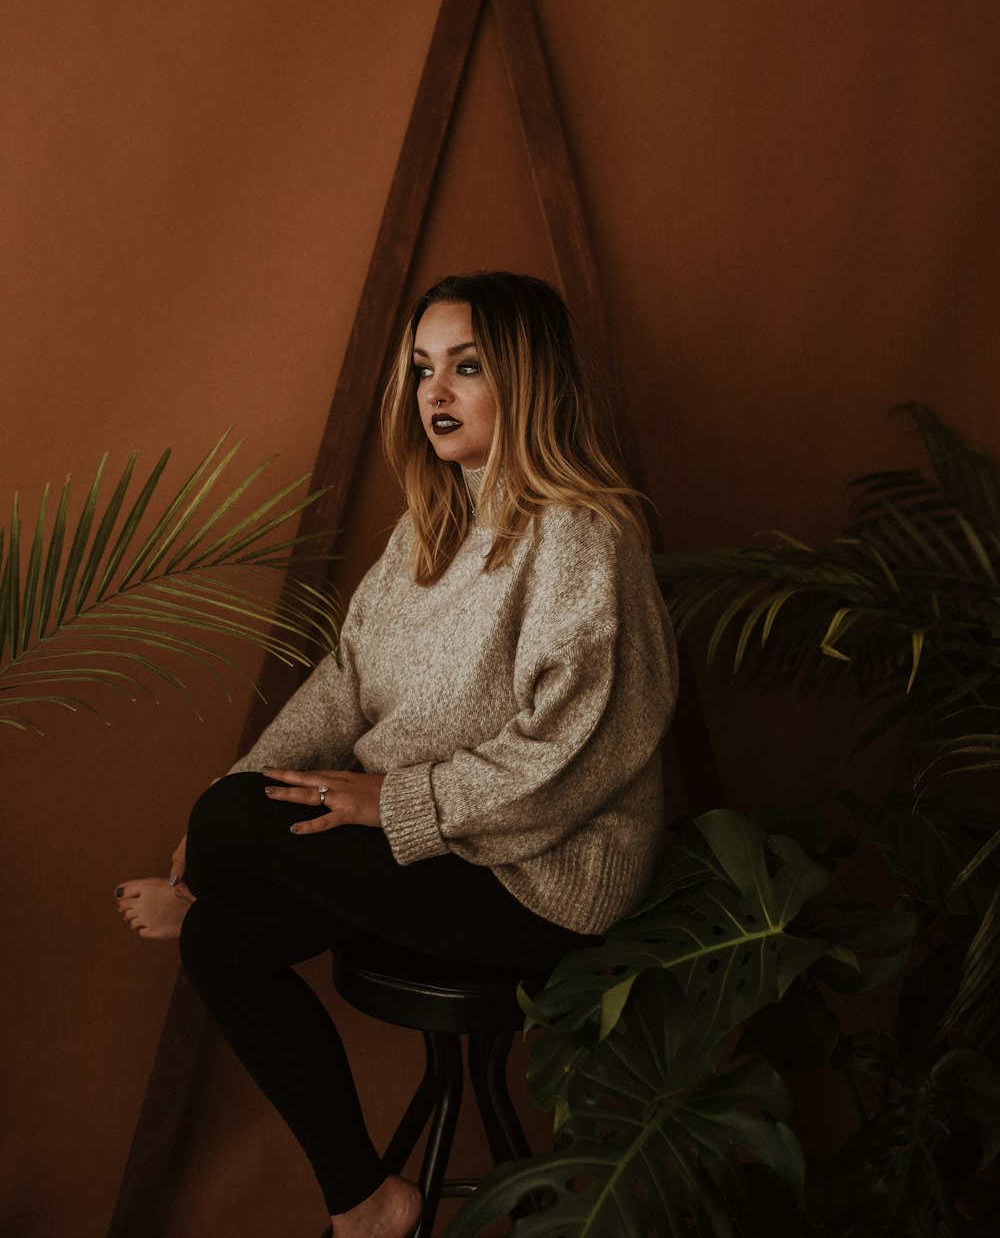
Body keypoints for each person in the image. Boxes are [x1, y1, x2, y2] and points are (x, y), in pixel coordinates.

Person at [116, 271, 677, 1238]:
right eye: (423, 369)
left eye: (467, 367)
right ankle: (368, 1202)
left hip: (536, 877)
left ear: (531, 383)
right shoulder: (432, 523)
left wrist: (393, 805)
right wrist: (240, 807)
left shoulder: (583, 535)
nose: (435, 393)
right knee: (222, 930)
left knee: (223, 833)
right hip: (441, 850)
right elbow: (343, 683)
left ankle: (204, 882)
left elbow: (575, 754)